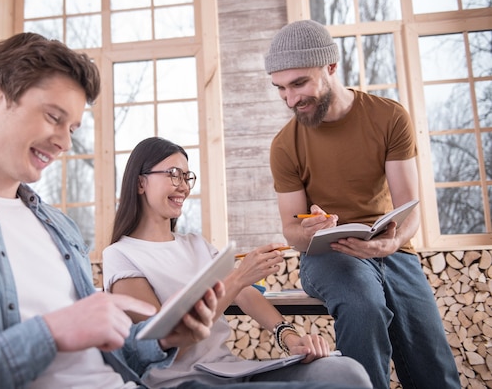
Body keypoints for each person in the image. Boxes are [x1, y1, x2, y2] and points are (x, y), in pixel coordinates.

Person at [0, 32, 230, 389]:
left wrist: (162, 339)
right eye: (54, 117)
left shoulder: (59, 227)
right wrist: (50, 334)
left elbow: (104, 355)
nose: (66, 142)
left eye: (72, 128)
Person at [265, 20, 461, 389]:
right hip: (328, 255)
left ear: (331, 67)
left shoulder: (388, 117)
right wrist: (308, 231)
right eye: (280, 89)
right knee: (363, 305)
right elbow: (291, 230)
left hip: (392, 251)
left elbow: (410, 206)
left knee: (432, 361)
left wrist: (391, 243)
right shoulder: (284, 145)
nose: (291, 100)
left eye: (299, 84)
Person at [103, 137, 373, 389]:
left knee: (348, 372)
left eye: (187, 176)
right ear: (140, 183)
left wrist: (291, 339)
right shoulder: (120, 255)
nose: (183, 186)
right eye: (173, 174)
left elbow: (244, 294)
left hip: (227, 370)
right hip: (182, 381)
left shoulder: (196, 244)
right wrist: (238, 278)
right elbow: (164, 344)